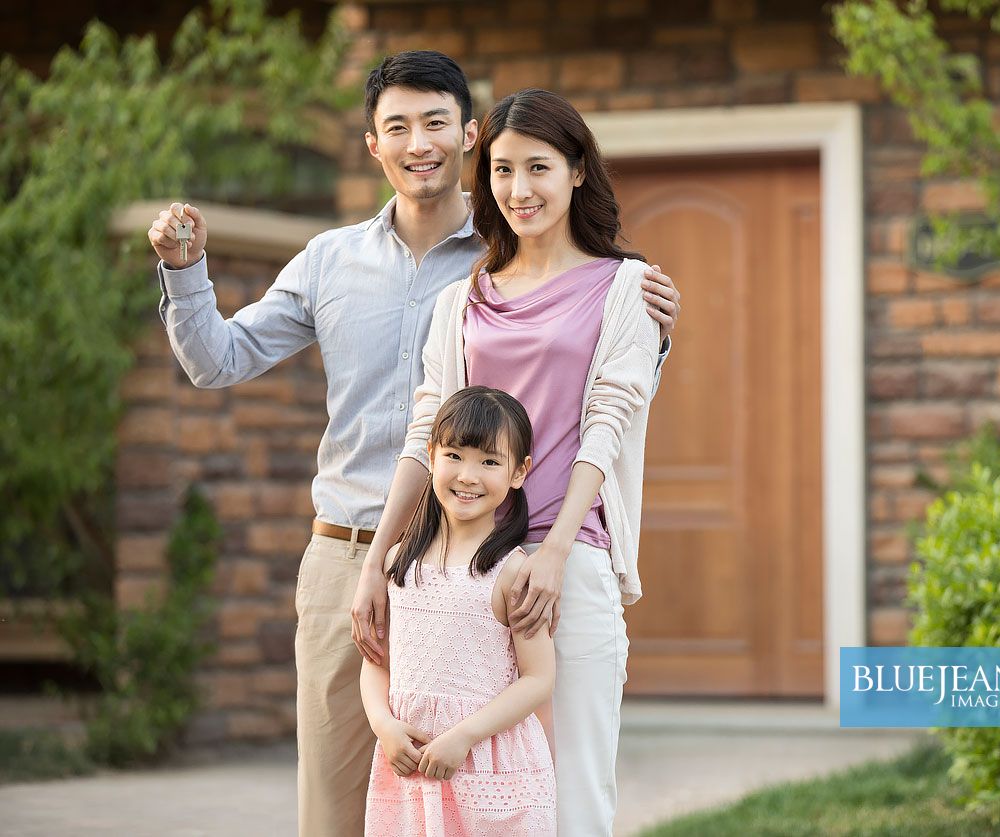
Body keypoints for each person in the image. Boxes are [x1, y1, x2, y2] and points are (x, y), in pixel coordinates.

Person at [146, 51, 680, 837]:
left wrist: (652, 334)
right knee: (345, 807)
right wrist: (185, 272)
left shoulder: (519, 260)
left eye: (436, 122)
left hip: (495, 560)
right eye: (396, 125)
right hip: (362, 559)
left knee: (513, 798)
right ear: (372, 144)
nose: (418, 141)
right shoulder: (356, 265)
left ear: (466, 137)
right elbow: (220, 360)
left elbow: (605, 391)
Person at [362, 87, 659, 835]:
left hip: (569, 561)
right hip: (461, 566)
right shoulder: (463, 298)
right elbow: (426, 428)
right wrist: (376, 559)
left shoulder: (624, 285)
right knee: (469, 799)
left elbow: (609, 418)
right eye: (500, 169)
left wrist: (554, 550)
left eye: (538, 167)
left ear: (577, 171)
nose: (518, 190)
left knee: (576, 793)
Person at [361, 386, 556, 836]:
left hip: (491, 768)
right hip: (411, 767)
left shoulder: (513, 573)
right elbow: (375, 664)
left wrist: (465, 736)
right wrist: (384, 725)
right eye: (454, 455)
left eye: (490, 462)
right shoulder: (398, 564)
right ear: (430, 456)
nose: (468, 475)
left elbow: (538, 679)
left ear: (519, 472)